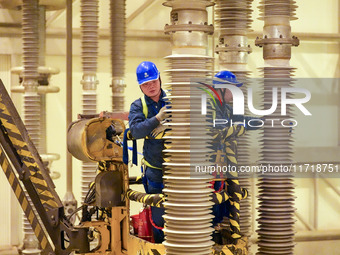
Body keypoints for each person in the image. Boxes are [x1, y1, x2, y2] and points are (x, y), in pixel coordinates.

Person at [210, 71, 261, 243]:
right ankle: (209, 235)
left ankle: (215, 232)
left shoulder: (226, 108)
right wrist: (238, 128)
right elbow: (215, 133)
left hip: (220, 166)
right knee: (209, 203)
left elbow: (243, 121)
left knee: (221, 201)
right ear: (222, 89)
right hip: (207, 167)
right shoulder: (209, 107)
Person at [128, 61, 167, 243]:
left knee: (185, 211)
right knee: (159, 215)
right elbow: (135, 131)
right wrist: (157, 119)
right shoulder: (138, 106)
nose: (150, 87)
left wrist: (167, 128)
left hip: (179, 169)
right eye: (145, 84)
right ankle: (160, 247)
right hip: (155, 169)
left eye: (153, 82)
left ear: (159, 79)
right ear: (140, 86)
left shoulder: (174, 101)